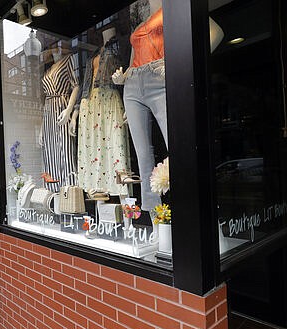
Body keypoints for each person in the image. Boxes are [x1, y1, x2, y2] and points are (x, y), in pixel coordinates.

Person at [112, 0, 223, 211]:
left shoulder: (175, 7)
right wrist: (122, 79)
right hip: (133, 85)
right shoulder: (139, 26)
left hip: (160, 78)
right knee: (143, 157)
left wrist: (187, 64)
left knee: (180, 149)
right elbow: (132, 65)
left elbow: (216, 33)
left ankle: (196, 214)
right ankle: (156, 223)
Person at [73, 27, 131, 194]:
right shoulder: (96, 52)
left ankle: (125, 206)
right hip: (90, 102)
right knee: (93, 149)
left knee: (115, 145)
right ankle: (99, 206)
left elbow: (128, 71)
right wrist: (76, 111)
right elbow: (86, 82)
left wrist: (129, 103)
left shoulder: (121, 44)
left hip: (110, 98)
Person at [40, 43, 79, 192]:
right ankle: (53, 190)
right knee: (49, 150)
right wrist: (42, 128)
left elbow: (76, 85)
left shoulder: (69, 59)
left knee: (65, 148)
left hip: (62, 105)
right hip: (48, 109)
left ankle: (69, 190)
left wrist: (69, 110)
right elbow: (45, 99)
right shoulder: (48, 69)